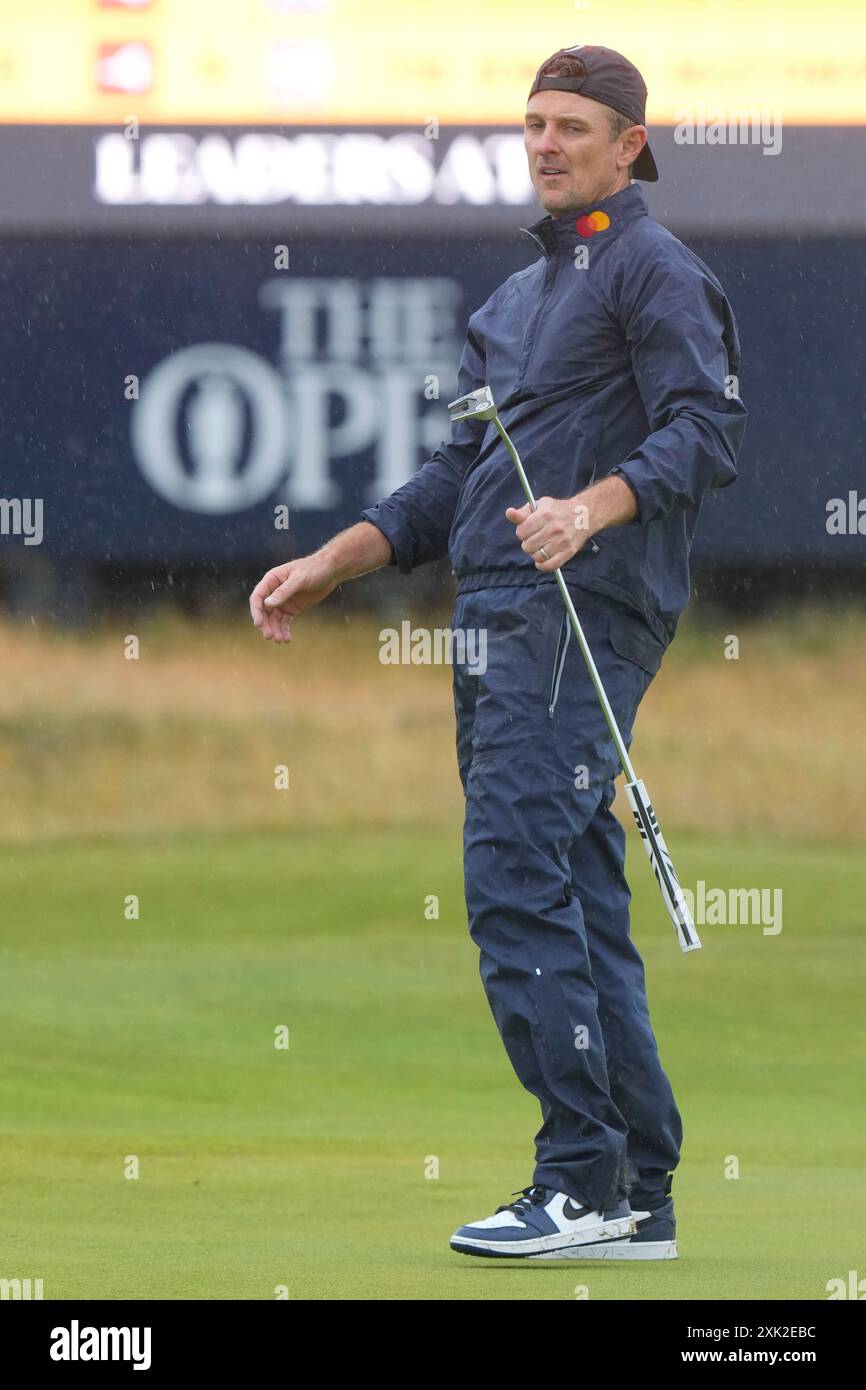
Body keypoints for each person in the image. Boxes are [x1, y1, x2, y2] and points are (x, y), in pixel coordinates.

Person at [249, 43, 747, 1261]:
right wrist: (336, 558)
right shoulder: (514, 301)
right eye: (530, 123)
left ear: (628, 144)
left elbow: (706, 429)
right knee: (572, 895)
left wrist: (591, 506)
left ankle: (576, 1178)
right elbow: (453, 478)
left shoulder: (652, 267)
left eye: (571, 126)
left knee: (514, 880)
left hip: (579, 614)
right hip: (489, 620)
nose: (543, 143)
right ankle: (636, 1189)